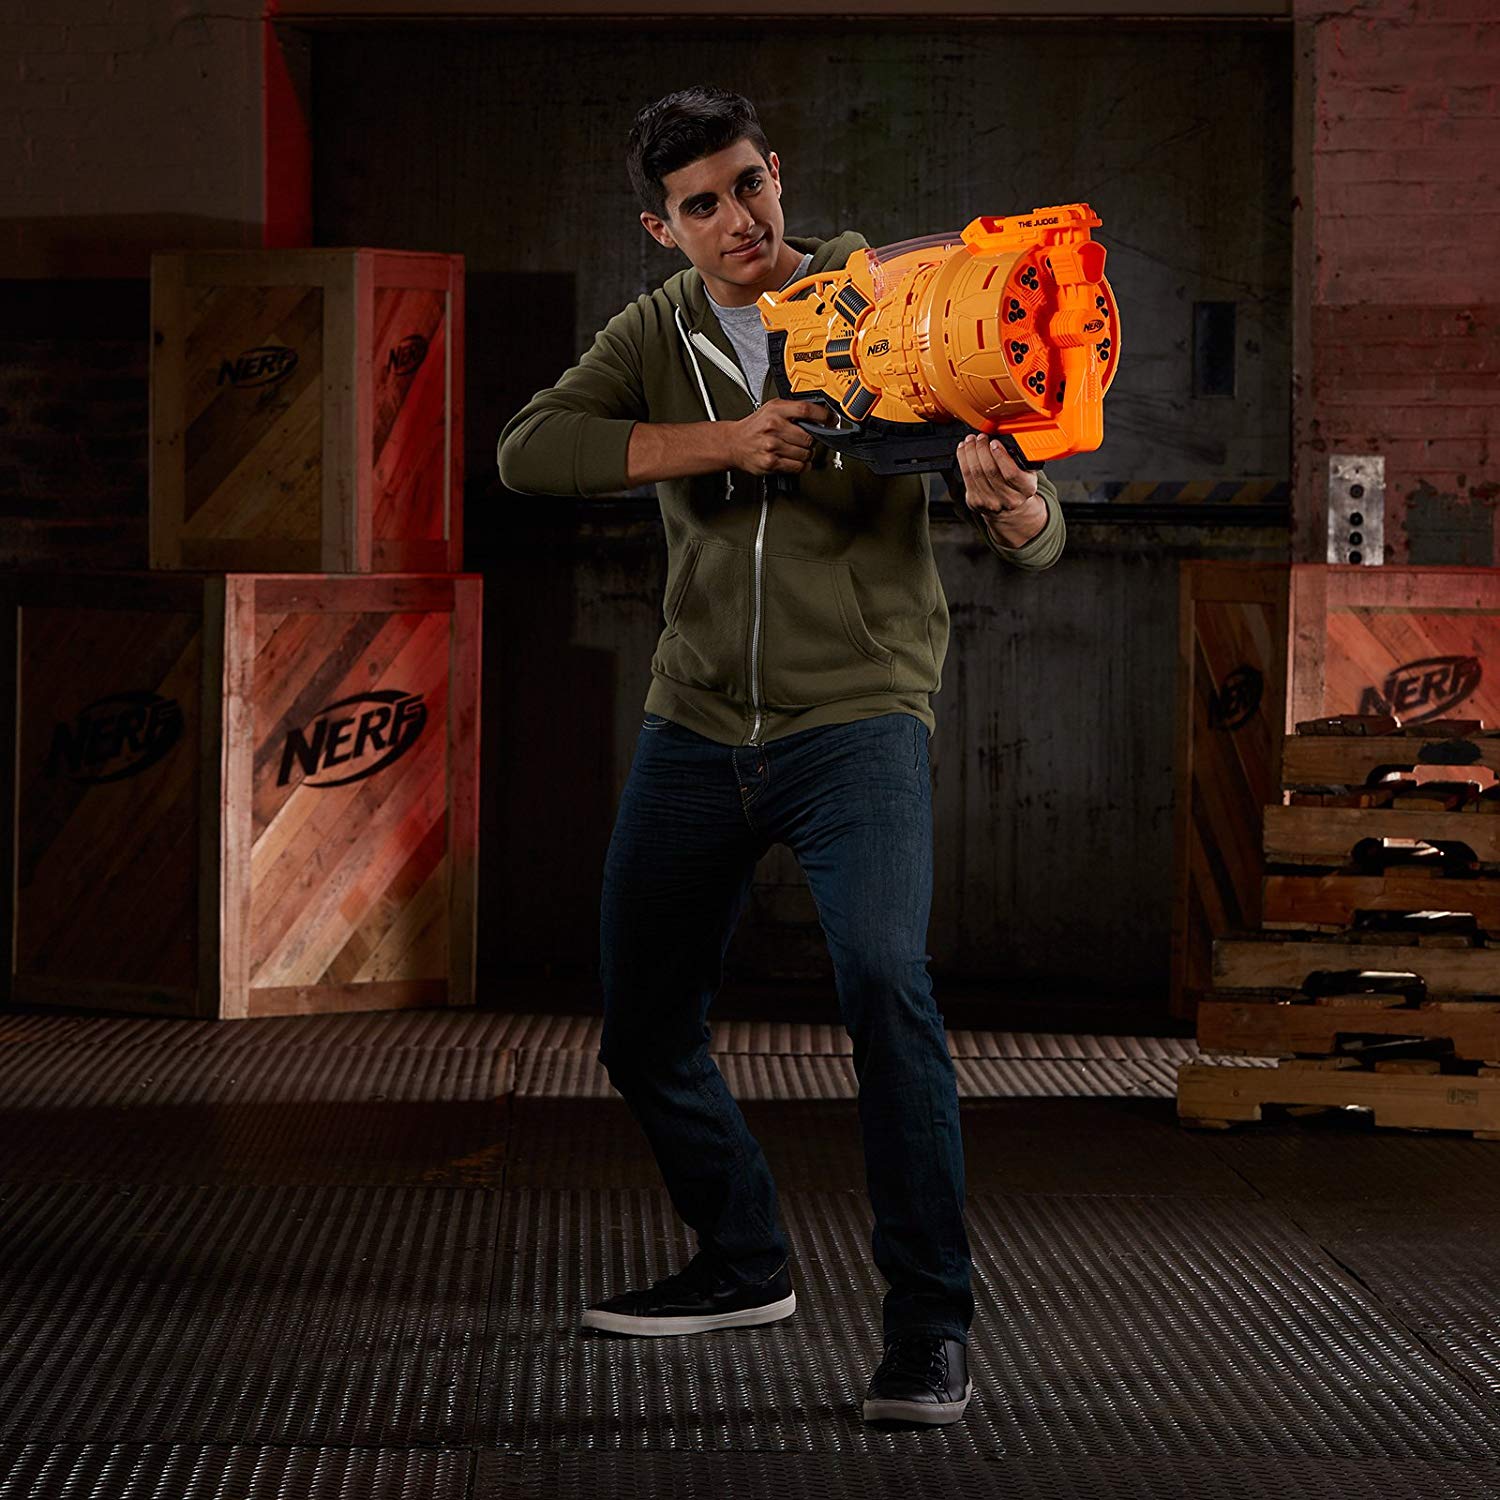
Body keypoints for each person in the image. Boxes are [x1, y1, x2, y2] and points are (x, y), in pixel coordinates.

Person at [498, 86, 1065, 1428]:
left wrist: (1017, 506)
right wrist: (723, 441)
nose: (737, 220)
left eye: (748, 185)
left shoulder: (895, 300)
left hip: (856, 719)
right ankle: (743, 1259)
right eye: (701, 205)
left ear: (777, 174)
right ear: (665, 227)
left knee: (885, 990)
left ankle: (929, 1330)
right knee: (644, 1027)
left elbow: (1039, 528)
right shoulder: (658, 331)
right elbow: (528, 452)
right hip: (696, 724)